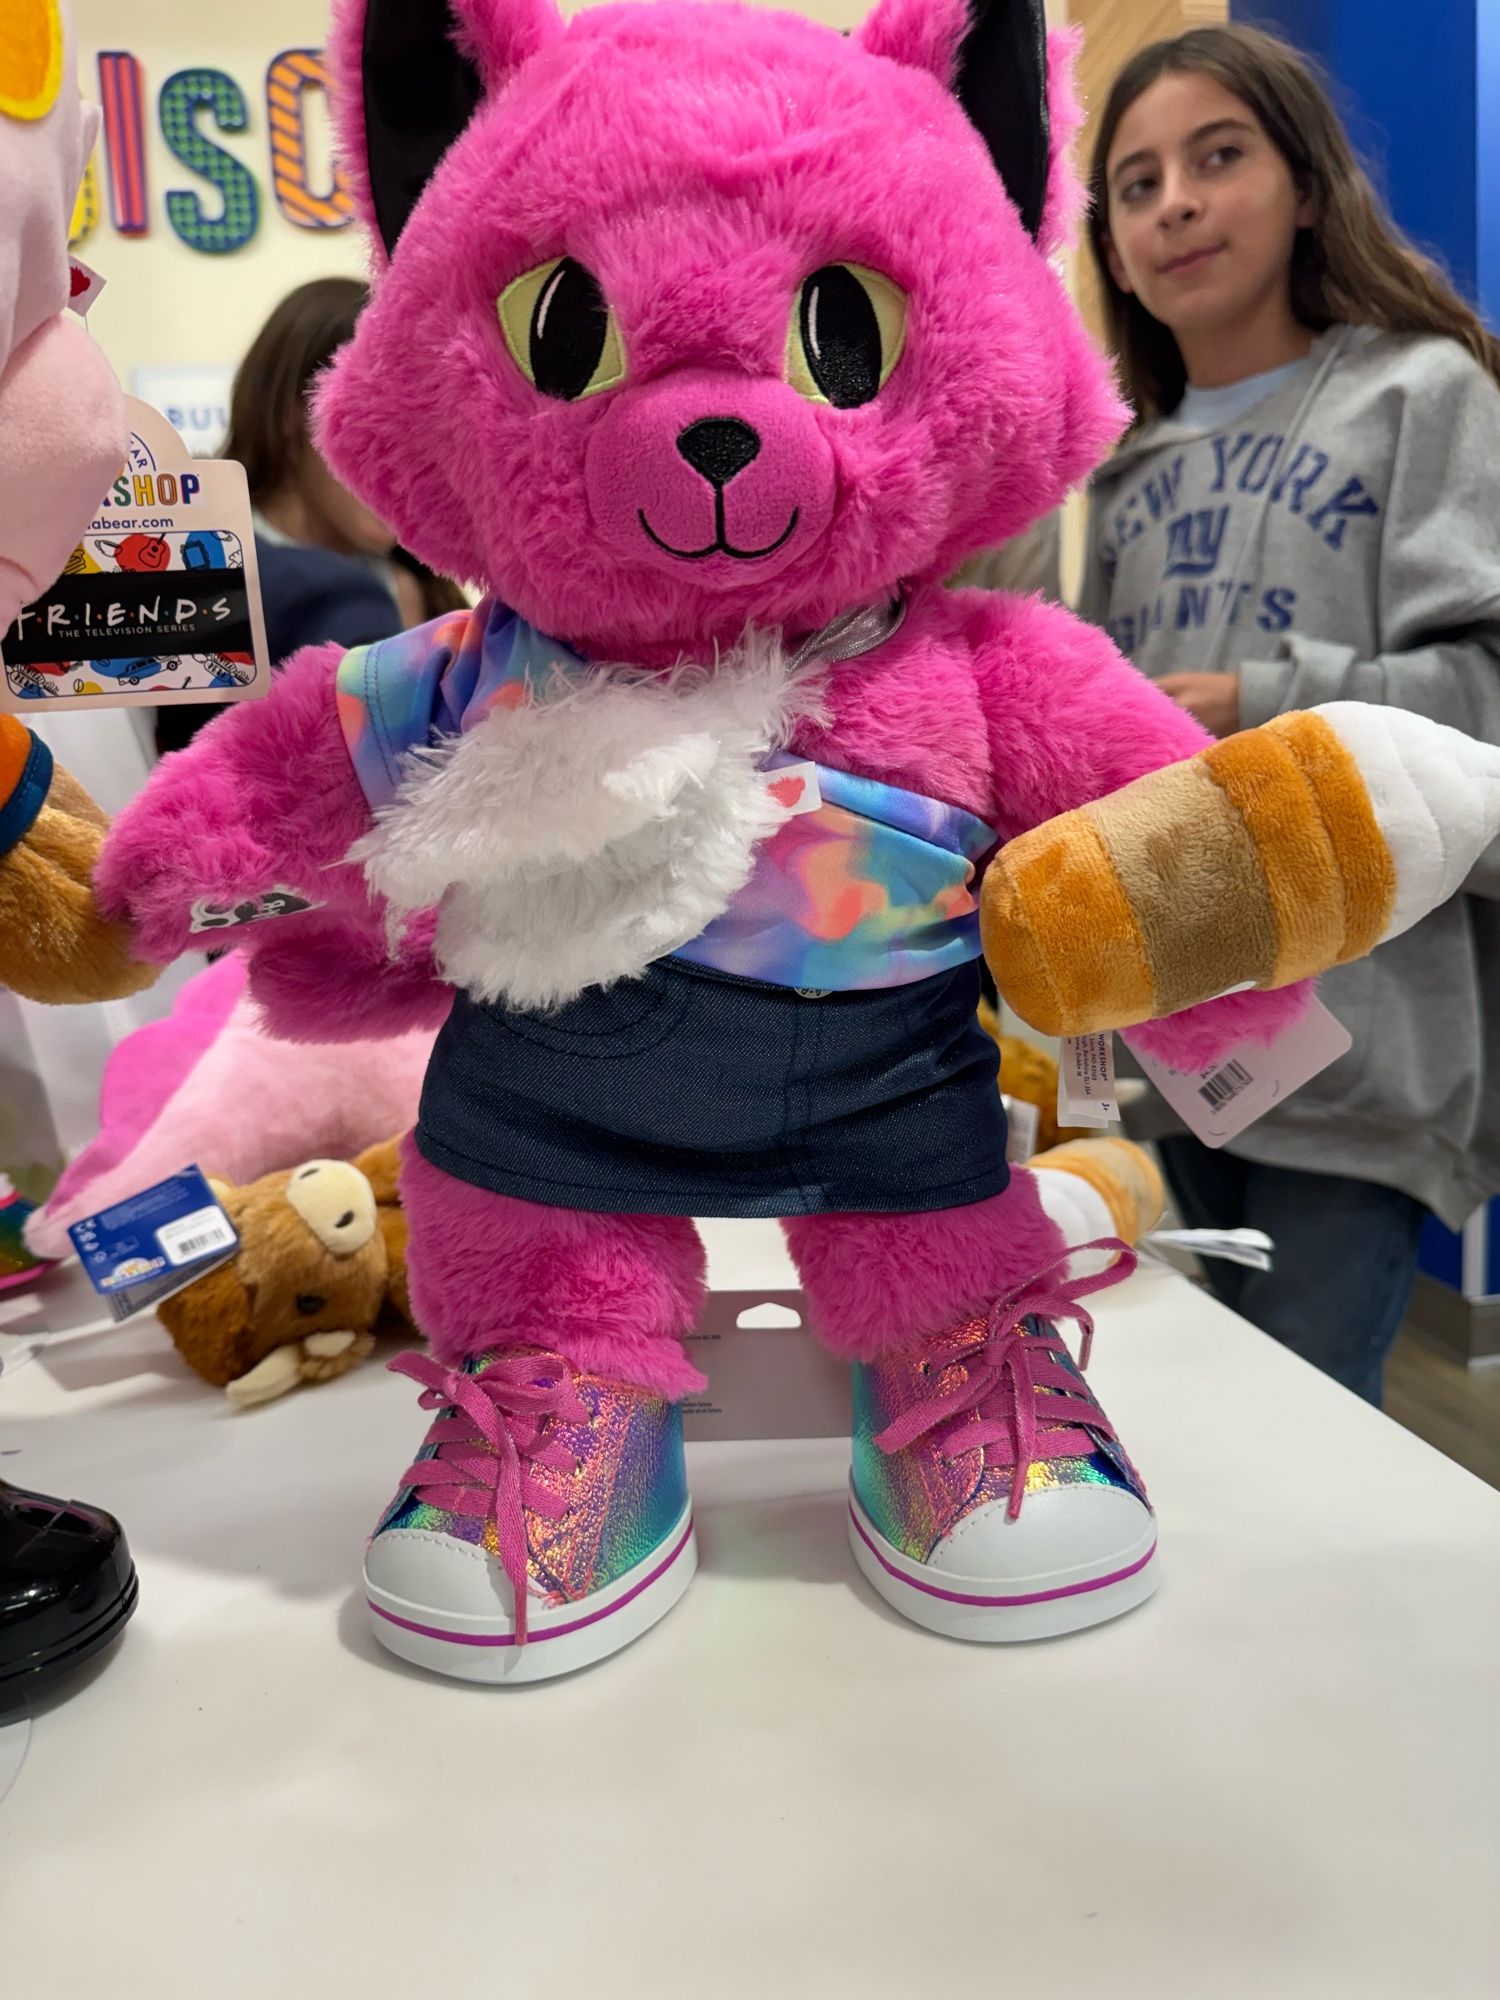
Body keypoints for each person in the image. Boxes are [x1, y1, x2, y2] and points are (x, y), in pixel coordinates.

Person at [1080, 23, 1500, 1403]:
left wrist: (1269, 704)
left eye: (1217, 157)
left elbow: (1484, 726)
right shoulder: (1128, 472)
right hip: (1169, 1052)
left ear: (1306, 183)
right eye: (1135, 185)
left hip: (1364, 1059)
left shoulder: (1422, 397)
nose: (1175, 205)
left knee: (1305, 1457)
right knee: (1191, 1439)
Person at [155, 278, 404, 754]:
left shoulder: (420, 589)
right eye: (381, 426)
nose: (407, 466)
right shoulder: (200, 564)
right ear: (299, 411)